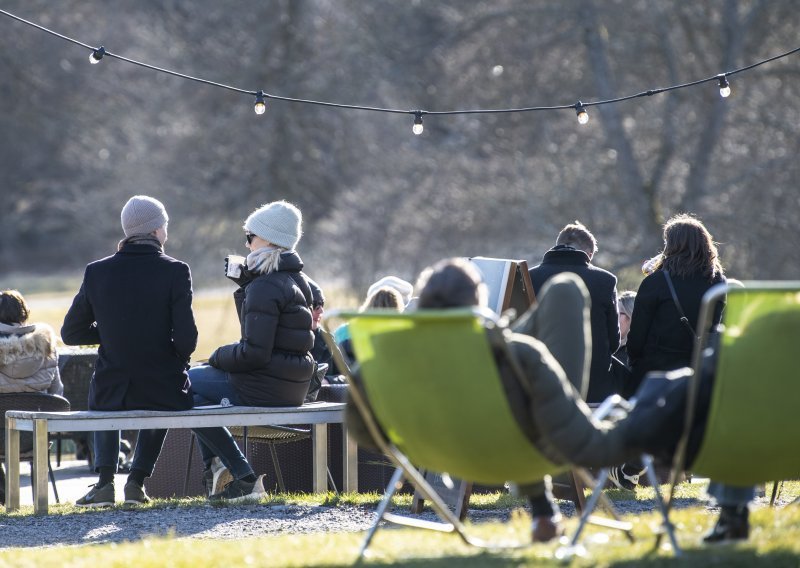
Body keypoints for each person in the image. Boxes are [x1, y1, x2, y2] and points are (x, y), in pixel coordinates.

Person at [350, 257, 738, 543]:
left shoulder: (385, 363)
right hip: (526, 447)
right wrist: (647, 418)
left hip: (437, 455)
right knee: (569, 294)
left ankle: (543, 512)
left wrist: (414, 438)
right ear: (478, 305)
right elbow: (586, 445)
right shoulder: (519, 357)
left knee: (551, 309)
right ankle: (677, 396)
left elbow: (362, 431)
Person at [61, 195, 199, 507]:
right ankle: (136, 482)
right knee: (165, 392)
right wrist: (177, 358)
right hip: (163, 384)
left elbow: (70, 333)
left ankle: (105, 483)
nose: (166, 232)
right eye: (164, 226)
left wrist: (113, 334)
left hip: (113, 386)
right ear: (155, 231)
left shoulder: (97, 272)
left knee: (102, 391)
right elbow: (187, 336)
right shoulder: (176, 270)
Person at [188, 200, 314, 499]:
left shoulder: (267, 286)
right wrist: (246, 288)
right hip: (290, 385)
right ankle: (222, 470)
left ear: (269, 240)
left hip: (264, 384)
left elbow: (254, 352)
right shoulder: (296, 280)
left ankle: (238, 473)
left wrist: (217, 356)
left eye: (250, 237)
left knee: (179, 384)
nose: (246, 245)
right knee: (192, 395)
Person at [627, 214, 726, 395]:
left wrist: (634, 362)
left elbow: (637, 336)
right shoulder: (718, 282)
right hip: (699, 372)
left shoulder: (656, 282)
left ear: (672, 245)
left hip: (656, 375)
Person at [529, 221, 620, 403]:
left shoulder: (529, 277)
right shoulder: (605, 280)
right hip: (592, 385)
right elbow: (614, 340)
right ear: (589, 253)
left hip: (541, 381)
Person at [0, 289, 64, 505]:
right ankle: (41, 501)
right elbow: (57, 391)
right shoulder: (46, 343)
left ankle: (3, 498)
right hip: (35, 435)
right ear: (23, 313)